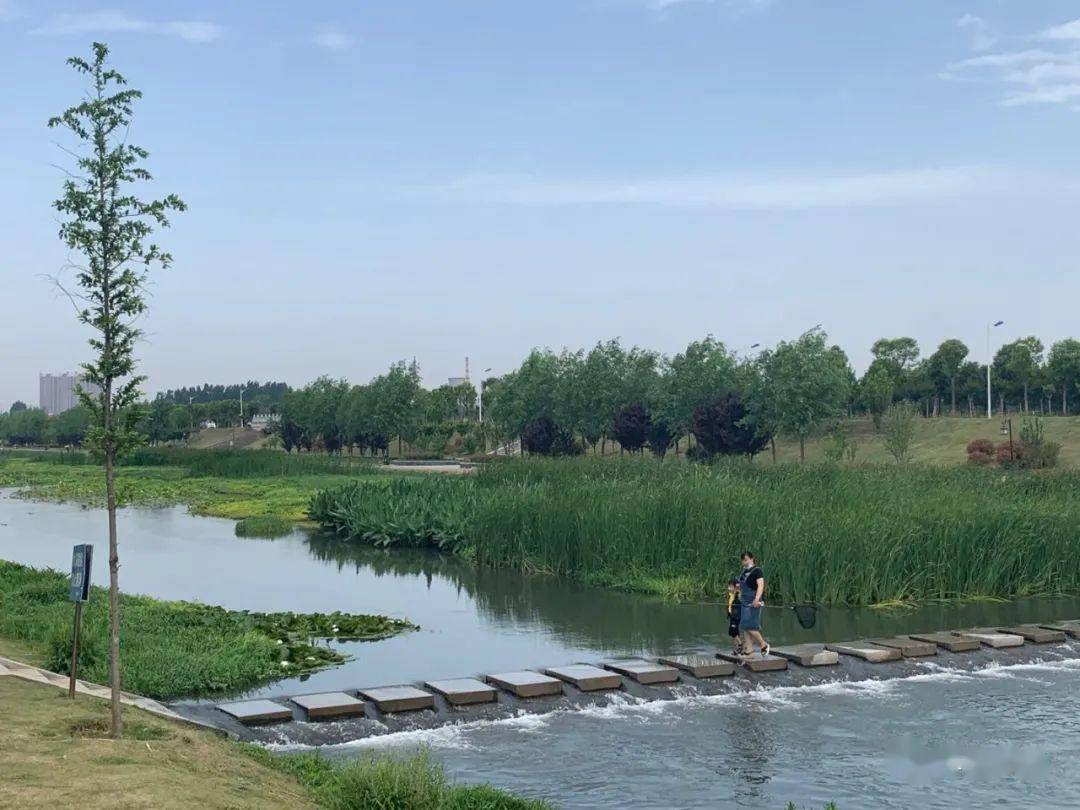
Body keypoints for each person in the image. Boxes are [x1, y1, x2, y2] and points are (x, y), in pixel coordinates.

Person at [738, 551, 770, 658]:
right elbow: (743, 586)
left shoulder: (757, 571)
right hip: (744, 601)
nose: (744, 562)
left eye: (746, 559)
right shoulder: (743, 572)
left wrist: (757, 599)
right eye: (743, 560)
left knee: (751, 626)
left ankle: (763, 644)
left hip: (754, 601)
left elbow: (760, 586)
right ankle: (750, 652)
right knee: (745, 627)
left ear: (752, 559)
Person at [725, 578, 743, 655]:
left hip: (737, 616)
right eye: (728, 586)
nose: (729, 588)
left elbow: (741, 597)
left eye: (730, 586)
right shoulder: (730, 594)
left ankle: (740, 645)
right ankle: (737, 649)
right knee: (735, 633)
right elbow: (729, 605)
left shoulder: (738, 594)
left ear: (735, 587)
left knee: (732, 631)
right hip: (732, 616)